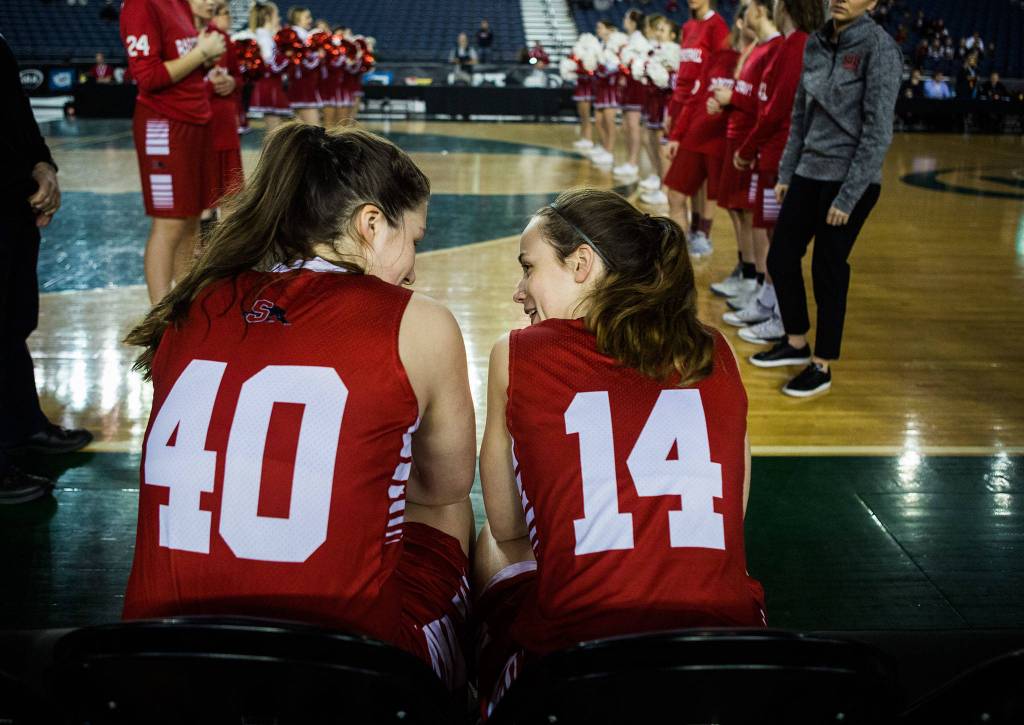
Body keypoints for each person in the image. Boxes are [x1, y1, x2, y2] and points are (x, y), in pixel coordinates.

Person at [122, 123, 476, 691]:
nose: (415, 266)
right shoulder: (419, 322)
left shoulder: (192, 303)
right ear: (370, 223)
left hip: (152, 666)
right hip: (340, 675)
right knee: (448, 510)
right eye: (415, 238)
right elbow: (444, 488)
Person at [474, 188, 765, 716]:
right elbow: (732, 518)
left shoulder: (516, 355)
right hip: (726, 665)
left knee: (490, 543)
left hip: (579, 673)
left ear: (582, 264)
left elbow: (507, 524)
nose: (520, 291)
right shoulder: (716, 350)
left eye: (529, 267)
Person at [753, 0, 903, 397]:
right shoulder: (816, 42)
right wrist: (788, 171)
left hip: (850, 180)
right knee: (781, 257)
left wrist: (849, 196)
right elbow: (801, 116)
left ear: (872, 3)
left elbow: (877, 132)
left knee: (828, 269)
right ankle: (795, 341)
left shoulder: (879, 49)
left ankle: (822, 365)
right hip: (807, 172)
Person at [1, 35, 93, 503]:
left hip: (14, 200)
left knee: (15, 321)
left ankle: (22, 426)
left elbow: (17, 112)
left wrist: (43, 165)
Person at [728, 0, 824, 344]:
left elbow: (776, 109)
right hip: (770, 156)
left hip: (779, 157)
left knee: (778, 237)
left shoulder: (796, 46)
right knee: (769, 232)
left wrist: (748, 147)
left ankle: (782, 315)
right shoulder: (788, 45)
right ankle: (769, 302)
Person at [120, 0, 226, 305]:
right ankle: (159, 320)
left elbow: (182, 61)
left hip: (196, 119)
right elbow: (148, 77)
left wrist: (206, 62)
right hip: (163, 125)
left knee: (192, 218)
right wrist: (201, 53)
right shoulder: (141, 5)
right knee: (169, 223)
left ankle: (184, 309)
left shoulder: (179, 3)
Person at [663, 0, 730, 257]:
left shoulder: (717, 26)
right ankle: (692, 230)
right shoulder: (688, 25)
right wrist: (672, 108)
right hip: (683, 106)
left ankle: (702, 233)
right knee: (688, 180)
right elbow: (683, 74)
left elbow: (719, 72)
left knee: (702, 178)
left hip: (703, 110)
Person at [191, 0, 241, 232]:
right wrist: (208, 86)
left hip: (224, 120)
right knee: (201, 191)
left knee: (231, 190)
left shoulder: (221, 37)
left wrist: (231, 82)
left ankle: (227, 244)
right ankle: (202, 244)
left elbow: (239, 77)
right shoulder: (179, 35)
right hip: (196, 123)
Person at [613, 8, 648, 181]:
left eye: (627, 17)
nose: (624, 20)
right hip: (628, 86)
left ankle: (633, 162)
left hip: (636, 86)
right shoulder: (630, 39)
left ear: (633, 22)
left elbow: (641, 64)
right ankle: (629, 160)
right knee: (627, 125)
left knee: (633, 124)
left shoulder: (640, 40)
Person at [247, 1, 291, 130]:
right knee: (275, 128)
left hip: (272, 84)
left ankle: (275, 149)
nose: (279, 18)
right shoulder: (263, 37)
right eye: (276, 15)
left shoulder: (266, 35)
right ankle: (274, 150)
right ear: (267, 17)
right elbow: (270, 64)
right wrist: (287, 58)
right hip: (269, 85)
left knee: (276, 126)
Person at [285, 6, 322, 125]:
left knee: (302, 128)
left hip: (302, 82)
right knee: (314, 128)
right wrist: (318, 55)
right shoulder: (297, 36)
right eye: (307, 17)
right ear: (297, 19)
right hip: (302, 83)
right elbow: (304, 63)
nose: (310, 20)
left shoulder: (300, 35)